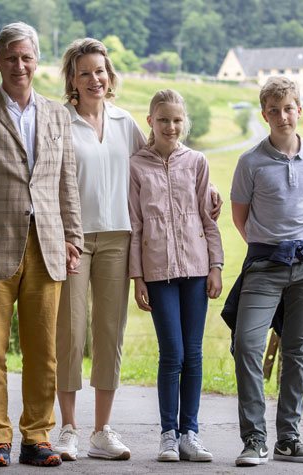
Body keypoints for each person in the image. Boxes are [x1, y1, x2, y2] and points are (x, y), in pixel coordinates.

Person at [0, 22, 83, 468]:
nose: (19, 65)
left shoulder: (57, 114)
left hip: (47, 245)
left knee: (45, 350)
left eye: (26, 57)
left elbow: (67, 184)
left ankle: (37, 437)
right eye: (11, 57)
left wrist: (73, 238)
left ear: (36, 60)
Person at [222, 76, 303, 467]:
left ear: (300, 110)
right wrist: (270, 244)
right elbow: (240, 219)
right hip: (264, 265)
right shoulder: (250, 162)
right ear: (264, 115)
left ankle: (288, 439)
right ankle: (255, 439)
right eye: (273, 110)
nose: (282, 116)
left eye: (289, 108)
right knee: (247, 344)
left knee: (297, 350)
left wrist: (297, 248)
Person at [51, 38, 145, 462]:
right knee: (70, 333)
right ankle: (68, 429)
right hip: (72, 240)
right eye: (85, 72)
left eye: (100, 71)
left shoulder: (126, 123)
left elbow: (159, 168)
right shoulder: (59, 122)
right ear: (72, 78)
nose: (94, 79)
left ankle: (102, 431)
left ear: (111, 77)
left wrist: (206, 189)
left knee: (110, 332)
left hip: (118, 239)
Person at [128, 89, 224, 463]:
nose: (171, 126)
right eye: (163, 119)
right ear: (150, 121)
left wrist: (216, 266)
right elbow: (135, 225)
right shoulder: (136, 166)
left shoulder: (197, 162)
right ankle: (168, 435)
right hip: (157, 271)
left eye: (177, 120)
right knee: (173, 353)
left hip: (197, 270)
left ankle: (191, 434)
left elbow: (208, 219)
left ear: (185, 123)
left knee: (195, 354)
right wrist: (137, 278)